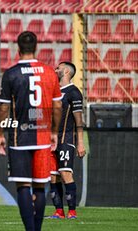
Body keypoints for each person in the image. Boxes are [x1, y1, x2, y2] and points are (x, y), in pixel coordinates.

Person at [0, 31, 62, 231]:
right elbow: (57, 107)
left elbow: (4, 108)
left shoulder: (11, 74)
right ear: (36, 48)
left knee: (23, 186)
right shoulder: (50, 72)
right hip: (42, 137)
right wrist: (54, 131)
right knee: (40, 186)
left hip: (19, 137)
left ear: (18, 49)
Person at [49, 62, 86, 219]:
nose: (55, 70)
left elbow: (79, 120)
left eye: (58, 68)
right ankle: (59, 212)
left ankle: (72, 212)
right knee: (52, 176)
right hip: (51, 141)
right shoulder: (53, 91)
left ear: (65, 71)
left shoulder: (73, 93)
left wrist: (80, 143)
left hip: (66, 139)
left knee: (65, 174)